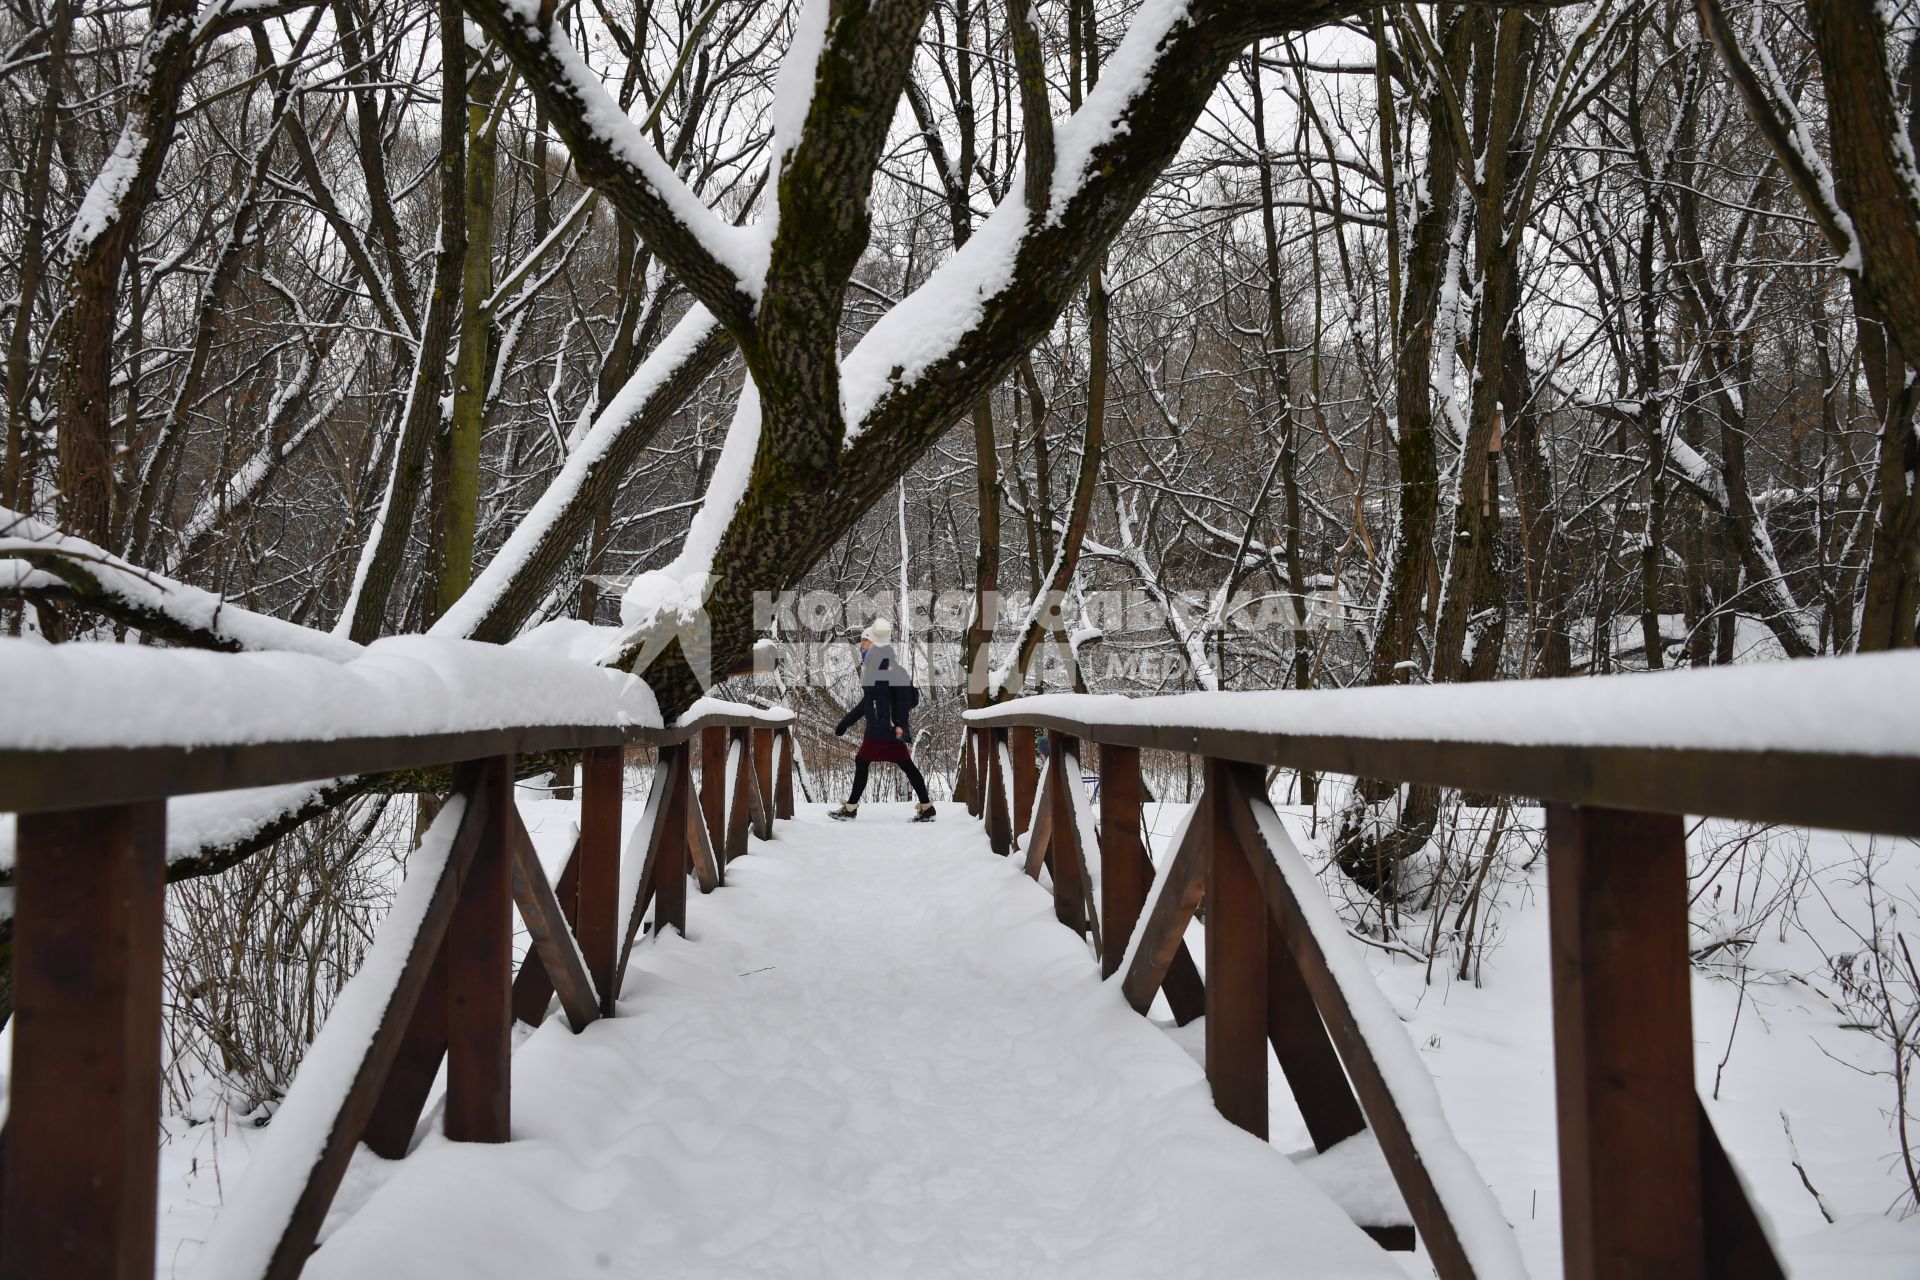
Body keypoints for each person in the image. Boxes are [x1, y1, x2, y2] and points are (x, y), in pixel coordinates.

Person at [831, 619, 934, 822]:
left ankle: (850, 809)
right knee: (905, 765)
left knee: (862, 761)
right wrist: (845, 722)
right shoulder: (880, 667)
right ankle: (927, 807)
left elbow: (897, 700)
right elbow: (868, 703)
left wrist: (893, 724)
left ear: (874, 645)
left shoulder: (882, 668)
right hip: (888, 729)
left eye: (864, 642)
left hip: (882, 730)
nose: (861, 646)